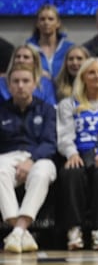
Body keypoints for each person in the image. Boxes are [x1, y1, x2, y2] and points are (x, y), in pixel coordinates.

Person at [56, 58, 98, 251]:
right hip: (77, 153)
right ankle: (74, 230)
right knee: (71, 173)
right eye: (92, 72)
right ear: (83, 77)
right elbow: (64, 135)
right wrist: (71, 153)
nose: (97, 76)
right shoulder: (68, 104)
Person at [0, 63, 57, 253]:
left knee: (42, 172)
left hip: (39, 157)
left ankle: (18, 230)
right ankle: (21, 232)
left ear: (35, 84)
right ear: (8, 85)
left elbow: (50, 143)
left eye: (25, 81)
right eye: (15, 81)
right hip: (7, 157)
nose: (20, 86)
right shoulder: (1, 109)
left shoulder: (47, 109)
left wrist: (31, 160)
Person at [26, 3, 75, 79]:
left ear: (58, 23)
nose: (46, 22)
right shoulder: (28, 49)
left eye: (50, 19)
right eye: (42, 19)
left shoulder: (70, 48)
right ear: (37, 24)